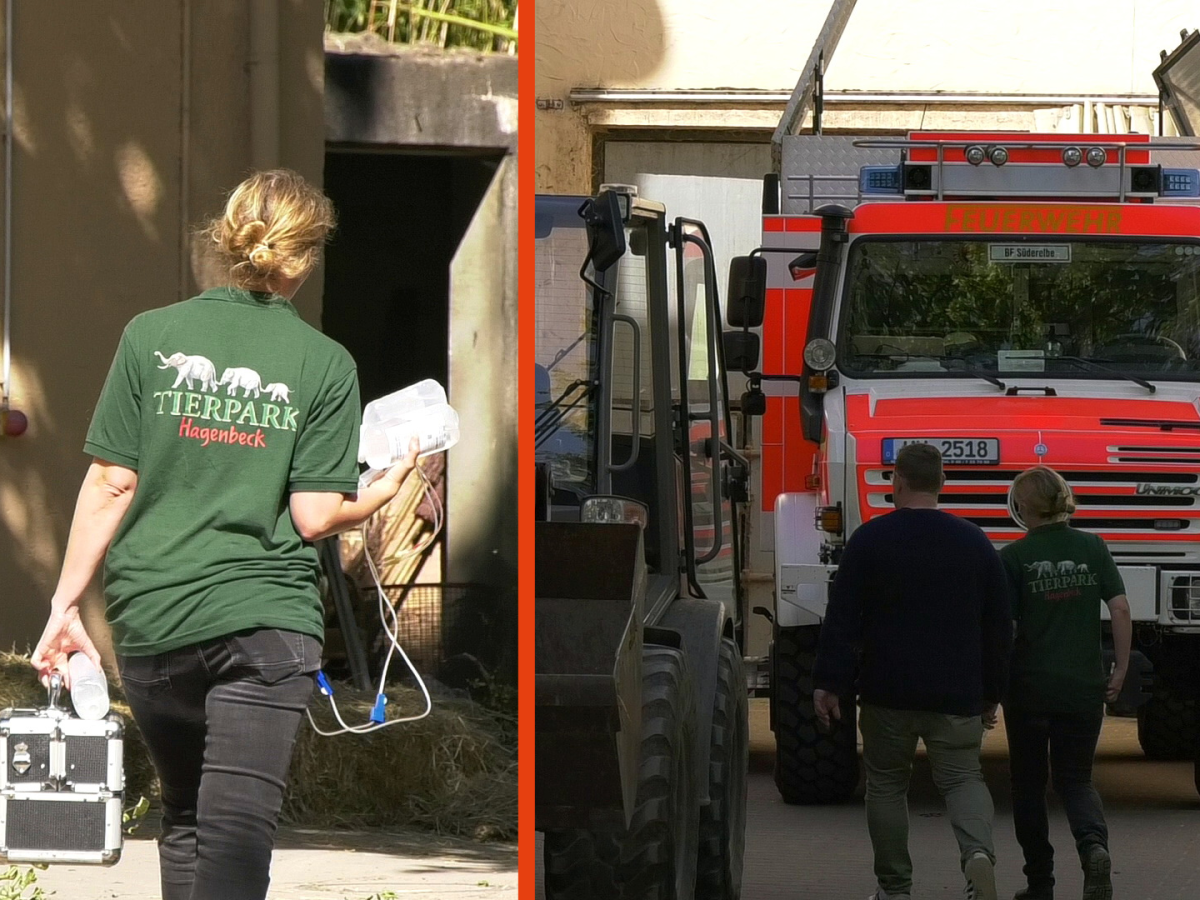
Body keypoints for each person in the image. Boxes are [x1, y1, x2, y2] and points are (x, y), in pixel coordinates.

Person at [30, 169, 420, 900]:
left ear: (227, 239)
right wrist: (378, 495)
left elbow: (112, 483)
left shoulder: (150, 336)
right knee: (237, 830)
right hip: (266, 627)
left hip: (154, 620)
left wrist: (63, 608)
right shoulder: (325, 364)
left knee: (184, 817)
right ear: (305, 258)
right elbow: (313, 517)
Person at [813, 442, 1012, 900]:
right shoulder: (974, 541)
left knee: (885, 785)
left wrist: (829, 682)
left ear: (897, 481)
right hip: (957, 690)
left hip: (888, 689)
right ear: (942, 483)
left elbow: (842, 617)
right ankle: (978, 855)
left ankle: (895, 888)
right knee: (963, 780)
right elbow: (999, 626)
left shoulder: (870, 539)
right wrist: (992, 692)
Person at [1000, 466, 1130, 900]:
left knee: (1028, 786)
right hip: (1082, 689)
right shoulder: (1092, 547)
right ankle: (1094, 848)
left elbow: (1008, 629)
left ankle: (1040, 883)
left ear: (1022, 508)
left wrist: (990, 690)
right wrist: (1121, 669)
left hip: (1029, 692)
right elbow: (1121, 609)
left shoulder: (1013, 558)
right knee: (1076, 779)